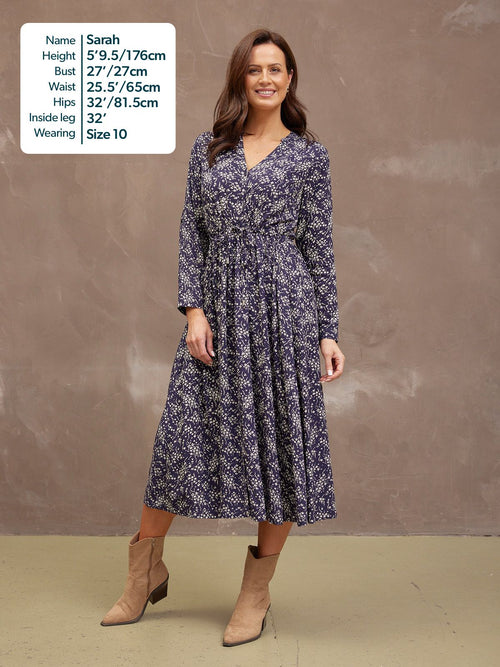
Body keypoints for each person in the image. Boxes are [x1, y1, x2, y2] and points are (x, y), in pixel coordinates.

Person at [100, 27, 345, 647]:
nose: (266, 78)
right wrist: (193, 310)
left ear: (290, 79)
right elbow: (192, 232)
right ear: (241, 78)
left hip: (285, 315)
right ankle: (143, 573)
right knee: (177, 445)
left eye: (276, 69)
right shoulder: (208, 150)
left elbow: (318, 249)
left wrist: (327, 333)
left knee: (281, 451)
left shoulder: (309, 157)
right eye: (255, 69)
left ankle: (255, 594)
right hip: (218, 314)